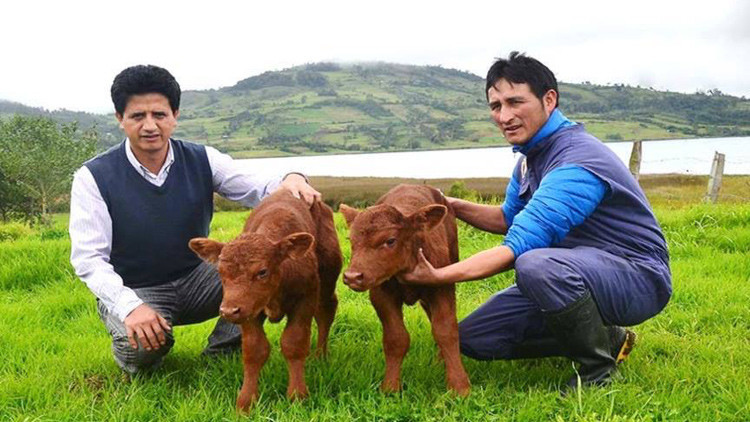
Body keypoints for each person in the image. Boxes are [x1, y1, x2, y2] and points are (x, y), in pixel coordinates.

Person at [402, 52, 672, 389]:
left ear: (549, 99)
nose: (505, 116)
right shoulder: (530, 159)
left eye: (516, 102)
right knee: (472, 338)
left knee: (534, 264)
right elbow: (507, 218)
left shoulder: (576, 160)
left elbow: (517, 247)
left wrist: (438, 276)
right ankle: (606, 339)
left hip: (637, 277)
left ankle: (596, 372)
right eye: (496, 106)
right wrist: (447, 203)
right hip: (575, 272)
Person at [69, 64, 320, 374]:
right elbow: (88, 259)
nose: (150, 126)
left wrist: (292, 176)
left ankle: (222, 349)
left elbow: (258, 185)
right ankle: (142, 341)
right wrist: (130, 307)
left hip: (199, 277)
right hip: (138, 288)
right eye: (138, 116)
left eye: (159, 115)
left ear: (174, 116)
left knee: (261, 277)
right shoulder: (93, 177)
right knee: (143, 350)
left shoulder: (202, 158)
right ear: (120, 119)